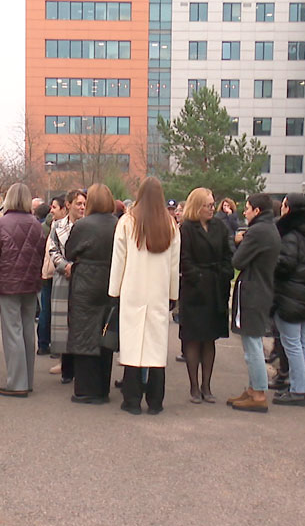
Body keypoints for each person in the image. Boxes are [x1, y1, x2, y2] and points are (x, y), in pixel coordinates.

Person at [110, 177, 181, 415]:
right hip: (159, 293)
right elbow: (174, 265)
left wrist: (114, 291)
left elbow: (119, 260)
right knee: (156, 348)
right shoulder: (170, 225)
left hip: (132, 291)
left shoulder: (127, 222)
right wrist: (173, 294)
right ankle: (155, 402)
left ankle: (131, 400)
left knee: (132, 347)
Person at [0, 183, 46, 397]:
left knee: (12, 332)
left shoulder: (1, 225)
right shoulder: (37, 224)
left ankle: (16, 382)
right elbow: (40, 252)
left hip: (8, 283)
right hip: (31, 283)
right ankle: (27, 380)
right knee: (28, 330)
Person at [64, 184, 119, 404]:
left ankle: (85, 389)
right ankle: (103, 388)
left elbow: (70, 251)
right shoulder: (119, 224)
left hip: (86, 280)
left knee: (83, 332)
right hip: (109, 280)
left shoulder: (83, 225)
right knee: (105, 333)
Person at [178, 187, 234, 404]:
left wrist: (223, 274)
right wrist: (197, 277)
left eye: (213, 205)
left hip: (215, 288)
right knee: (193, 339)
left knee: (210, 339)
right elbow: (184, 259)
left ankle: (206, 386)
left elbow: (228, 254)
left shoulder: (219, 226)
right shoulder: (187, 229)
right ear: (196, 207)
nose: (212, 209)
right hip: (194, 289)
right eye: (208, 205)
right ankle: (193, 386)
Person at [227, 193, 280, 412]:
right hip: (261, 287)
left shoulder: (258, 231)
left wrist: (236, 242)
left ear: (257, 211)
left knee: (252, 345)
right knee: (252, 342)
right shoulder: (269, 228)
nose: (244, 212)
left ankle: (258, 393)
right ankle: (252, 389)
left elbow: (238, 261)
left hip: (253, 290)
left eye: (247, 208)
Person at [272, 194, 305, 406]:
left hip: (291, 293)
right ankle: (299, 385)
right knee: (301, 341)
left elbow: (286, 264)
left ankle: (298, 389)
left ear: (288, 208)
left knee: (292, 342)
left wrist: (270, 262)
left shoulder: (290, 234)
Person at [48, 189, 86, 379]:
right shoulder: (57, 226)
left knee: (78, 322)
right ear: (69, 204)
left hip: (83, 278)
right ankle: (65, 364)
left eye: (84, 204)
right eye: (78, 203)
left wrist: (78, 267)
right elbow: (52, 250)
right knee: (63, 323)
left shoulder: (88, 225)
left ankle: (78, 366)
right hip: (64, 277)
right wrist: (65, 266)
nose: (82, 207)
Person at [38, 195, 67, 356]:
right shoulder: (53, 226)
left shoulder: (57, 226)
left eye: (55, 207)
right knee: (47, 311)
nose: (51, 210)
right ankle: (44, 343)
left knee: (50, 311)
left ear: (64, 208)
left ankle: (48, 344)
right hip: (49, 273)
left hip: (53, 272)